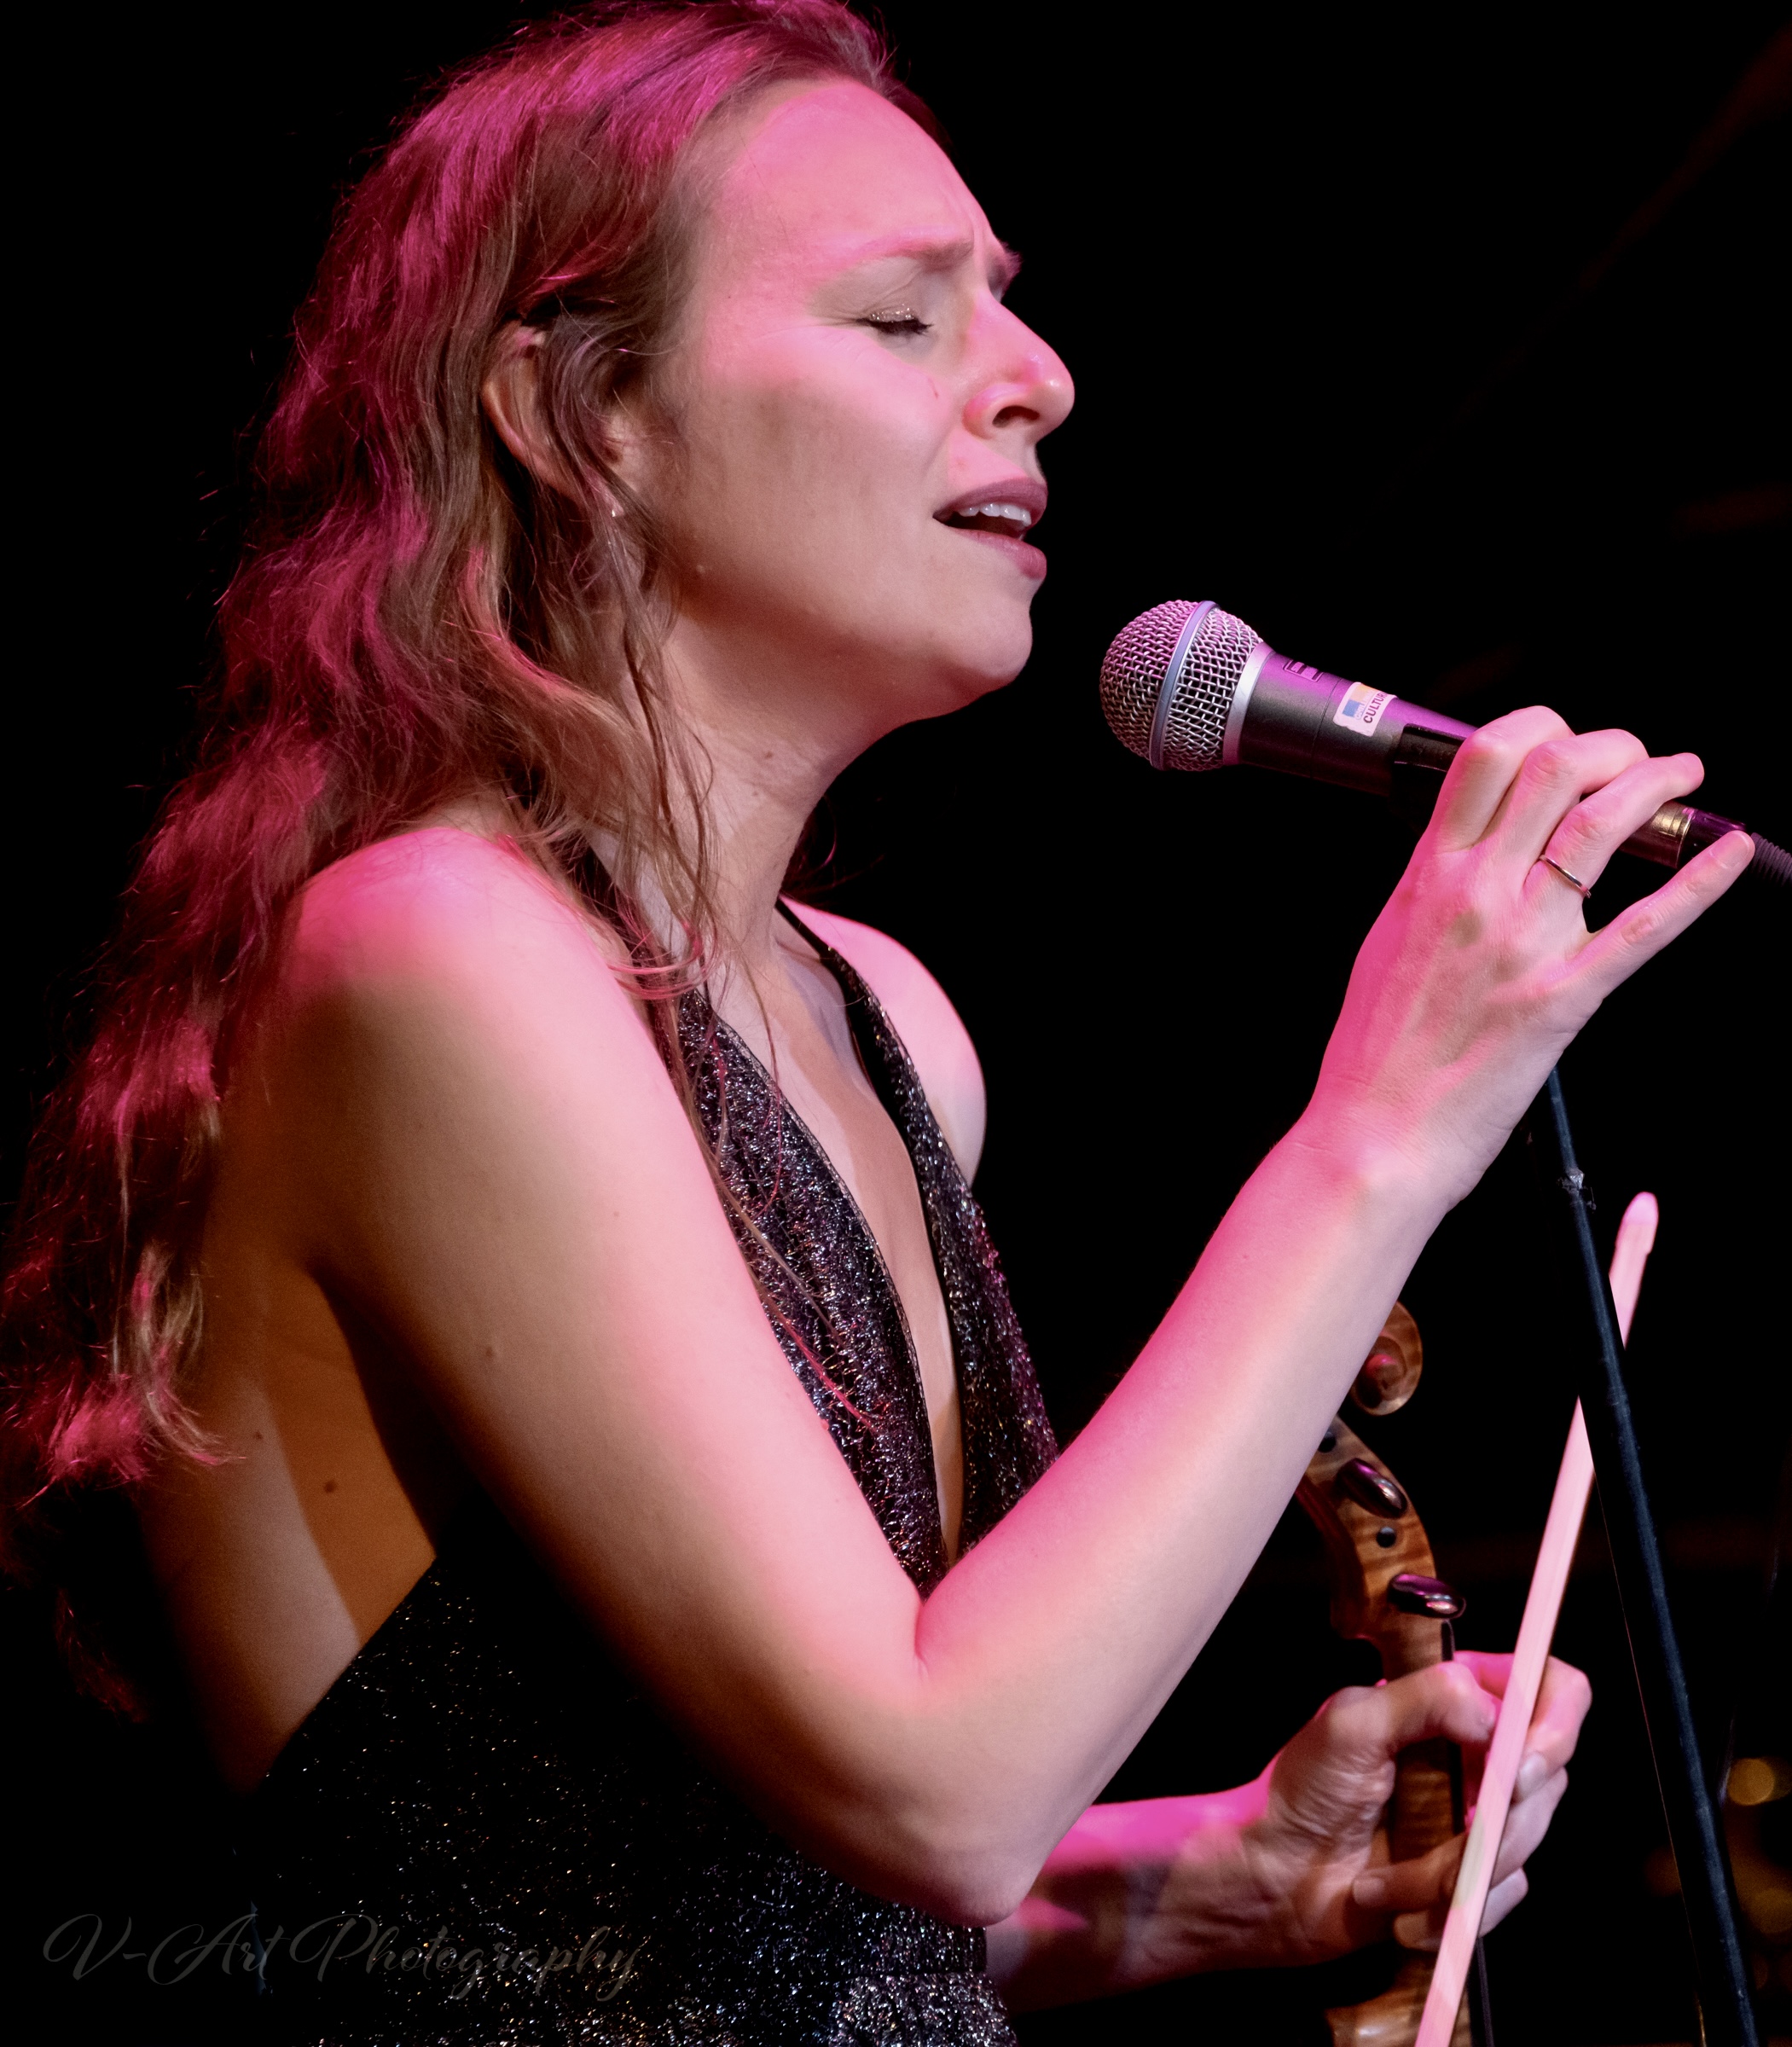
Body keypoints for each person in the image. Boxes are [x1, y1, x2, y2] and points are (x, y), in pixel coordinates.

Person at [1, 3, 1750, 2041]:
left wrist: (1179, 1884)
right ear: (581, 418)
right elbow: (933, 1786)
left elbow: (744, 1917)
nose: (1040, 381)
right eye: (902, 325)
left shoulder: (887, 1027)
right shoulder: (433, 952)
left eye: (1003, 313)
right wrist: (1379, 1128)